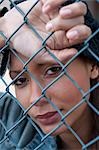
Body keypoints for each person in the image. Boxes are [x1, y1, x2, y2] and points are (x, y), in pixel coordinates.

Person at [0, 0, 99, 149]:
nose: (36, 98)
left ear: (93, 65)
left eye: (53, 70)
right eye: (20, 80)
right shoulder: (11, 124)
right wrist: (3, 29)